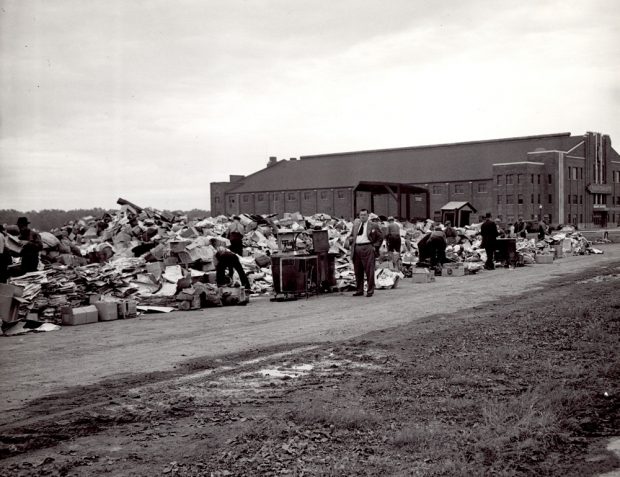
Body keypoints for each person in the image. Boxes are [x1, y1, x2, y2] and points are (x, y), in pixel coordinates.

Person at [347, 209, 383, 297]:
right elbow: (352, 235)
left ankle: (370, 290)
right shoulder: (355, 225)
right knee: (358, 270)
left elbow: (380, 237)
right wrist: (350, 240)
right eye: (361, 215)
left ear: (368, 216)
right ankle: (359, 290)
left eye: (364, 215)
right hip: (357, 248)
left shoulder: (373, 225)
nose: (362, 216)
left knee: (369, 270)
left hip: (368, 247)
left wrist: (375, 246)